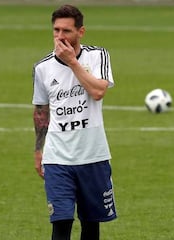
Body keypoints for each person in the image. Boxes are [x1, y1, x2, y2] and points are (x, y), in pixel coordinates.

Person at [32, 4, 117, 240]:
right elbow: (41, 110)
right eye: (56, 30)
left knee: (91, 225)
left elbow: (98, 91)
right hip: (58, 157)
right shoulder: (42, 68)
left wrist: (72, 62)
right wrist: (39, 150)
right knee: (61, 222)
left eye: (66, 31)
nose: (60, 37)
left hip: (93, 156)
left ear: (81, 32)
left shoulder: (98, 56)